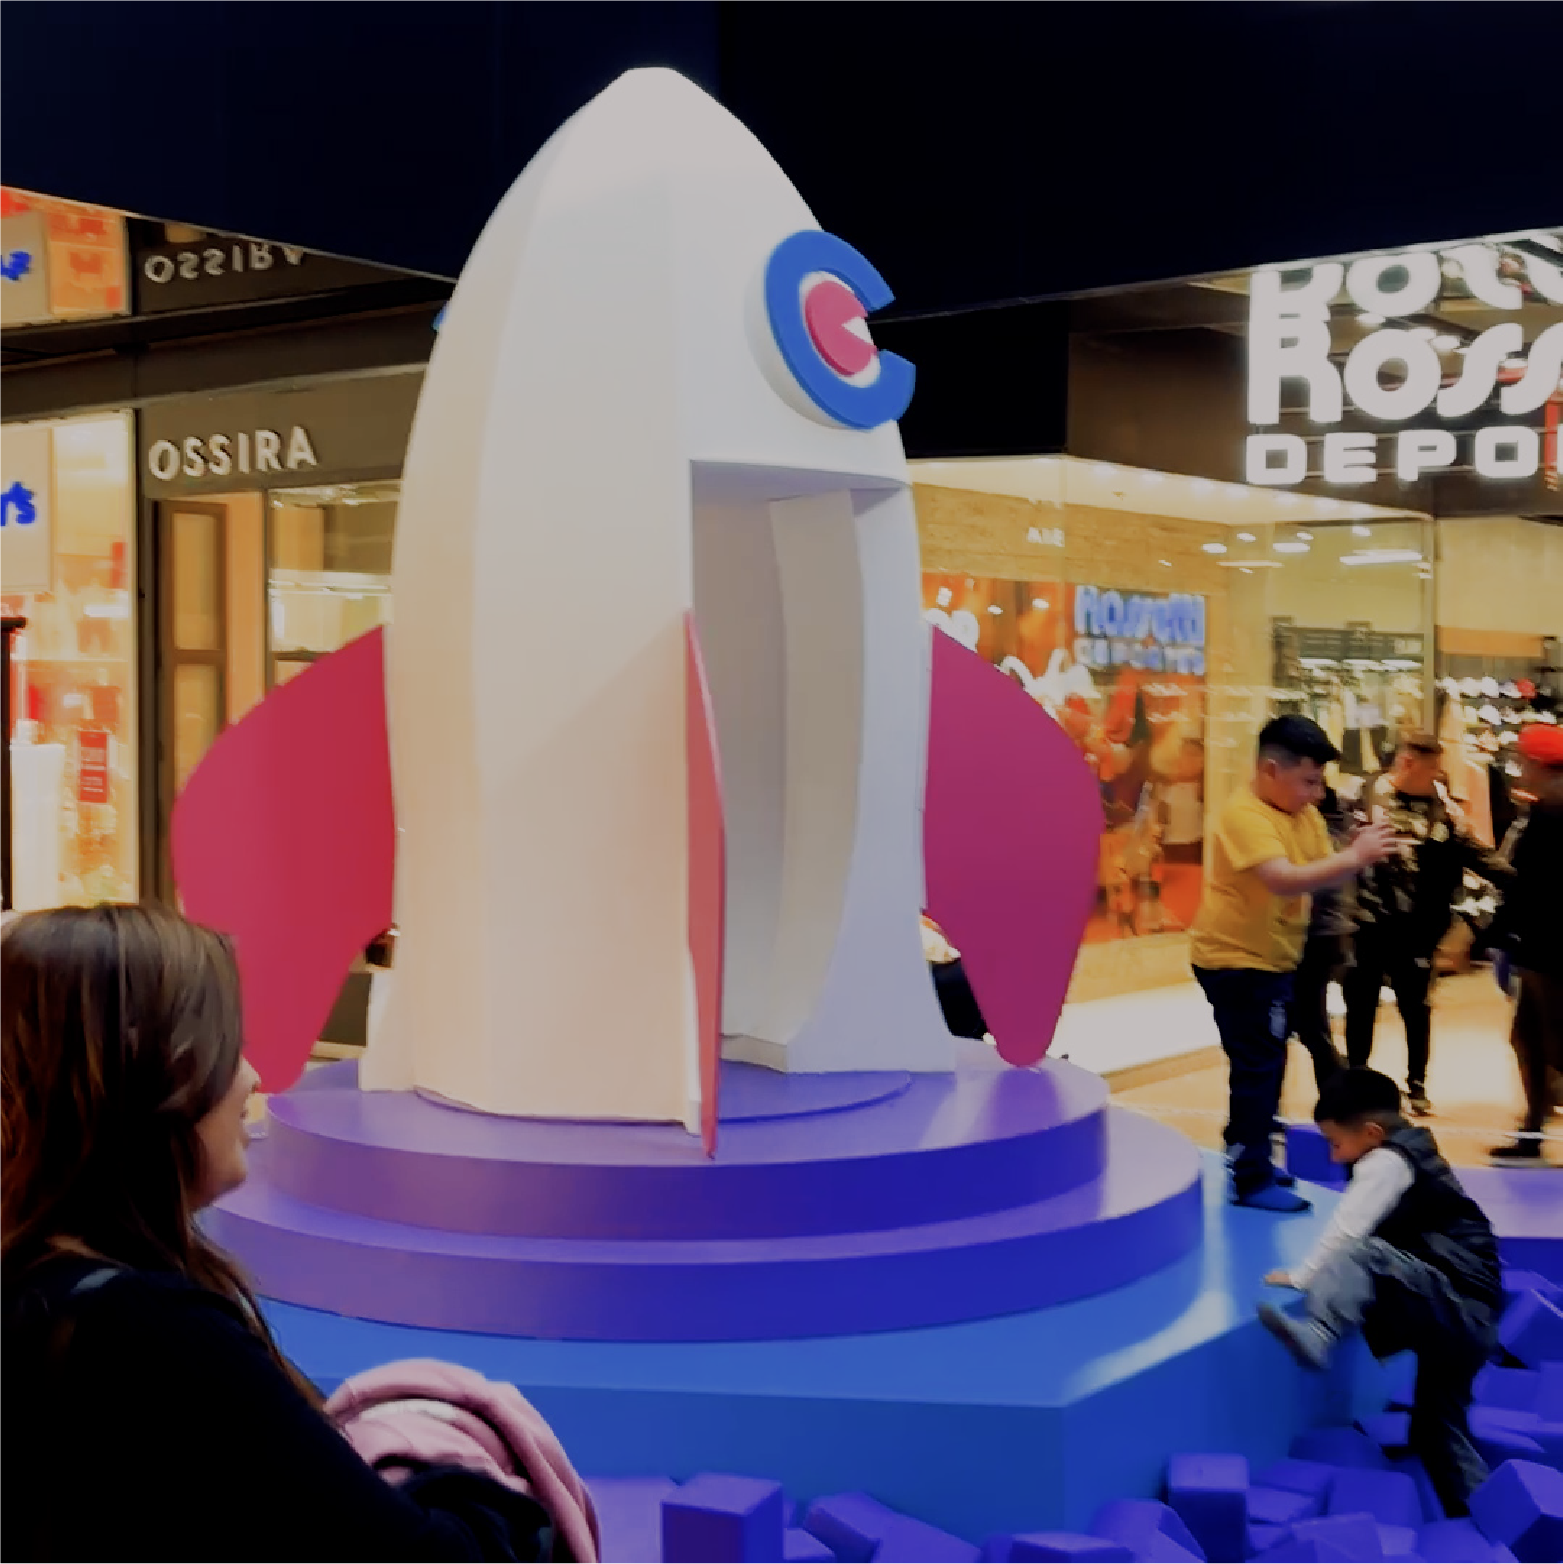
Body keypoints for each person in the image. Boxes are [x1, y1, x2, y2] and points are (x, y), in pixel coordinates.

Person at [0, 904, 558, 1563]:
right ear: (151, 1072)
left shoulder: (42, 1281)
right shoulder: (152, 1333)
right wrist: (471, 1473)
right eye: (226, 1048)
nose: (251, 1077)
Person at [1258, 1069, 1500, 1519]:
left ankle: (1321, 1332)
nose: (1333, 1156)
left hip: (1455, 1302)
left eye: (1336, 1143)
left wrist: (1302, 1277)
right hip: (1472, 1316)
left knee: (1364, 1254)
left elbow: (1347, 1229)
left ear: (1372, 1132)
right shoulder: (1414, 1150)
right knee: (1437, 1429)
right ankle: (1492, 1520)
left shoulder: (1388, 1160)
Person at [1190, 716, 1395, 1212]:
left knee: (1268, 1062)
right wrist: (1354, 857)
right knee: (1259, 1068)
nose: (1316, 793)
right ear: (1269, 770)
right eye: (1307, 781)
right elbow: (1282, 878)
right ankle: (1250, 1175)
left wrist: (1354, 850)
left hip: (1277, 958)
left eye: (1319, 782)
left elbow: (1318, 872)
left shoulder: (1302, 814)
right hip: (1237, 963)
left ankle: (1249, 1156)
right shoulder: (1244, 815)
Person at [1343, 731, 1513, 1117]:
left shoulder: (1442, 807)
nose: (1438, 775)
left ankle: (1416, 1084)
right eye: (1431, 767)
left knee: (1416, 1006)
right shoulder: (1364, 796)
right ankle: (1357, 1081)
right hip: (1366, 922)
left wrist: (1517, 880)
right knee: (1361, 1004)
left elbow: (1472, 851)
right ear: (1407, 762)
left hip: (1417, 927)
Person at [1488, 722, 1563, 1163]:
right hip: (1539, 946)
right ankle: (1532, 1131)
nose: (1518, 771)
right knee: (1530, 1038)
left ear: (1536, 763)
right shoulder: (1543, 810)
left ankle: (1533, 1130)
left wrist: (1496, 931)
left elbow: (1528, 886)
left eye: (1521, 761)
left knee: (1551, 1043)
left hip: (1550, 949)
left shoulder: (1549, 814)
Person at [1285, 783, 1353, 1095]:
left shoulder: (1324, 832)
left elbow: (1315, 884)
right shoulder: (1334, 829)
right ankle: (1338, 1098)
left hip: (1316, 938)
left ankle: (1339, 1099)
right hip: (1321, 936)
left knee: (1311, 1027)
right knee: (1310, 1026)